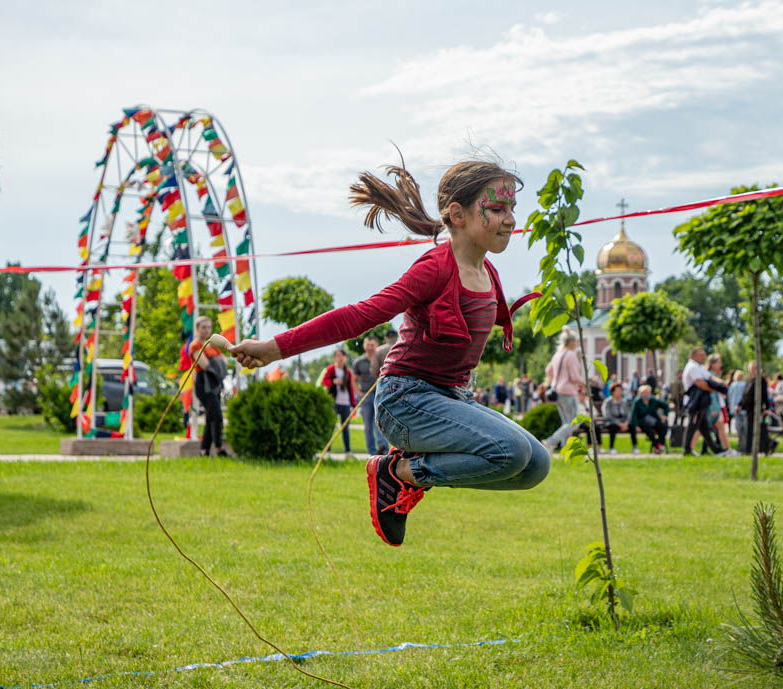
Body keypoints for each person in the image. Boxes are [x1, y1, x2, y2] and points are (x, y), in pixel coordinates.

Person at [231, 158, 548, 547]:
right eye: (497, 209)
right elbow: (359, 316)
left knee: (535, 465)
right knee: (511, 452)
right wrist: (273, 349)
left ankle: (409, 472)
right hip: (406, 401)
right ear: (457, 214)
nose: (510, 220)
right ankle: (398, 474)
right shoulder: (435, 269)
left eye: (512, 208)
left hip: (451, 399)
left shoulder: (488, 273)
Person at [189, 315, 228, 457]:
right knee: (216, 416)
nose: (206, 330)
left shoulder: (213, 346)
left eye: (209, 327)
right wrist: (217, 364)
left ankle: (204, 450)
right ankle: (219, 448)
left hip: (215, 383)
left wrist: (216, 364)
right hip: (204, 384)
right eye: (203, 327)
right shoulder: (195, 345)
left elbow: (225, 361)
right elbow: (205, 365)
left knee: (210, 417)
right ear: (197, 329)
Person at [542, 329, 585, 451]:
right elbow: (575, 376)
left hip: (557, 391)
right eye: (575, 341)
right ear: (571, 342)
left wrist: (555, 379)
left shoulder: (557, 354)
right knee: (574, 423)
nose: (576, 343)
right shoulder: (571, 355)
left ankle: (566, 448)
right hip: (568, 391)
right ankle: (550, 441)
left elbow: (548, 370)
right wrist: (585, 384)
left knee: (566, 423)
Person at [681, 347, 726, 456]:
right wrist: (712, 389)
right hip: (695, 402)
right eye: (701, 355)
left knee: (704, 428)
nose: (704, 357)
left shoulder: (699, 367)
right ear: (693, 355)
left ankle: (716, 449)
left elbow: (710, 377)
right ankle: (687, 449)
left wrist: (722, 384)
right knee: (693, 425)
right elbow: (700, 383)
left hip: (701, 402)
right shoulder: (692, 367)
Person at [353, 336, 386, 455]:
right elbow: (354, 380)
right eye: (368, 345)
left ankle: (384, 450)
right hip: (366, 396)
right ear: (364, 346)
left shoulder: (383, 359)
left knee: (380, 424)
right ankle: (372, 452)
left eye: (372, 345)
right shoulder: (358, 362)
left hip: (380, 396)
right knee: (368, 426)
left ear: (377, 345)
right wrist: (359, 393)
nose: (370, 347)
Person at [321, 348, 357, 453]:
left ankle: (348, 451)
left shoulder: (348, 372)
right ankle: (327, 450)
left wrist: (353, 404)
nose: (340, 358)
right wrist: (333, 381)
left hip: (345, 403)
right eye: (337, 355)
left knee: (345, 428)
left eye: (342, 355)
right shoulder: (331, 369)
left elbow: (351, 389)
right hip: (334, 402)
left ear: (346, 358)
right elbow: (324, 382)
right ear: (334, 358)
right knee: (331, 426)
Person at [738, 361, 774, 455]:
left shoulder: (761, 380)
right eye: (753, 368)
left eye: (756, 368)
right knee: (748, 428)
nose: (755, 370)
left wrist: (767, 408)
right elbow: (744, 395)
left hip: (756, 408)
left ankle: (756, 448)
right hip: (748, 409)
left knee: (756, 428)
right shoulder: (749, 380)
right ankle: (748, 448)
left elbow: (765, 395)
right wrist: (739, 405)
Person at [631, 384, 670, 453]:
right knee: (650, 431)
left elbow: (666, 406)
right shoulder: (637, 402)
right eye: (645, 393)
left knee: (663, 426)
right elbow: (634, 415)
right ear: (641, 394)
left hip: (654, 421)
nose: (647, 394)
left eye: (648, 392)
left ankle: (661, 444)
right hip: (642, 423)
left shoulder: (653, 400)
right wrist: (636, 425)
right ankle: (658, 445)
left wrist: (664, 415)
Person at [600, 382, 636, 454]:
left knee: (632, 426)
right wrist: (618, 423)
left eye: (621, 390)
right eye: (618, 390)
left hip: (624, 422)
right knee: (613, 427)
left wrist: (626, 423)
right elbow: (607, 415)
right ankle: (611, 447)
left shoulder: (624, 401)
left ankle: (635, 447)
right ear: (613, 392)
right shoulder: (607, 402)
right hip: (611, 422)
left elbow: (629, 414)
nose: (620, 392)